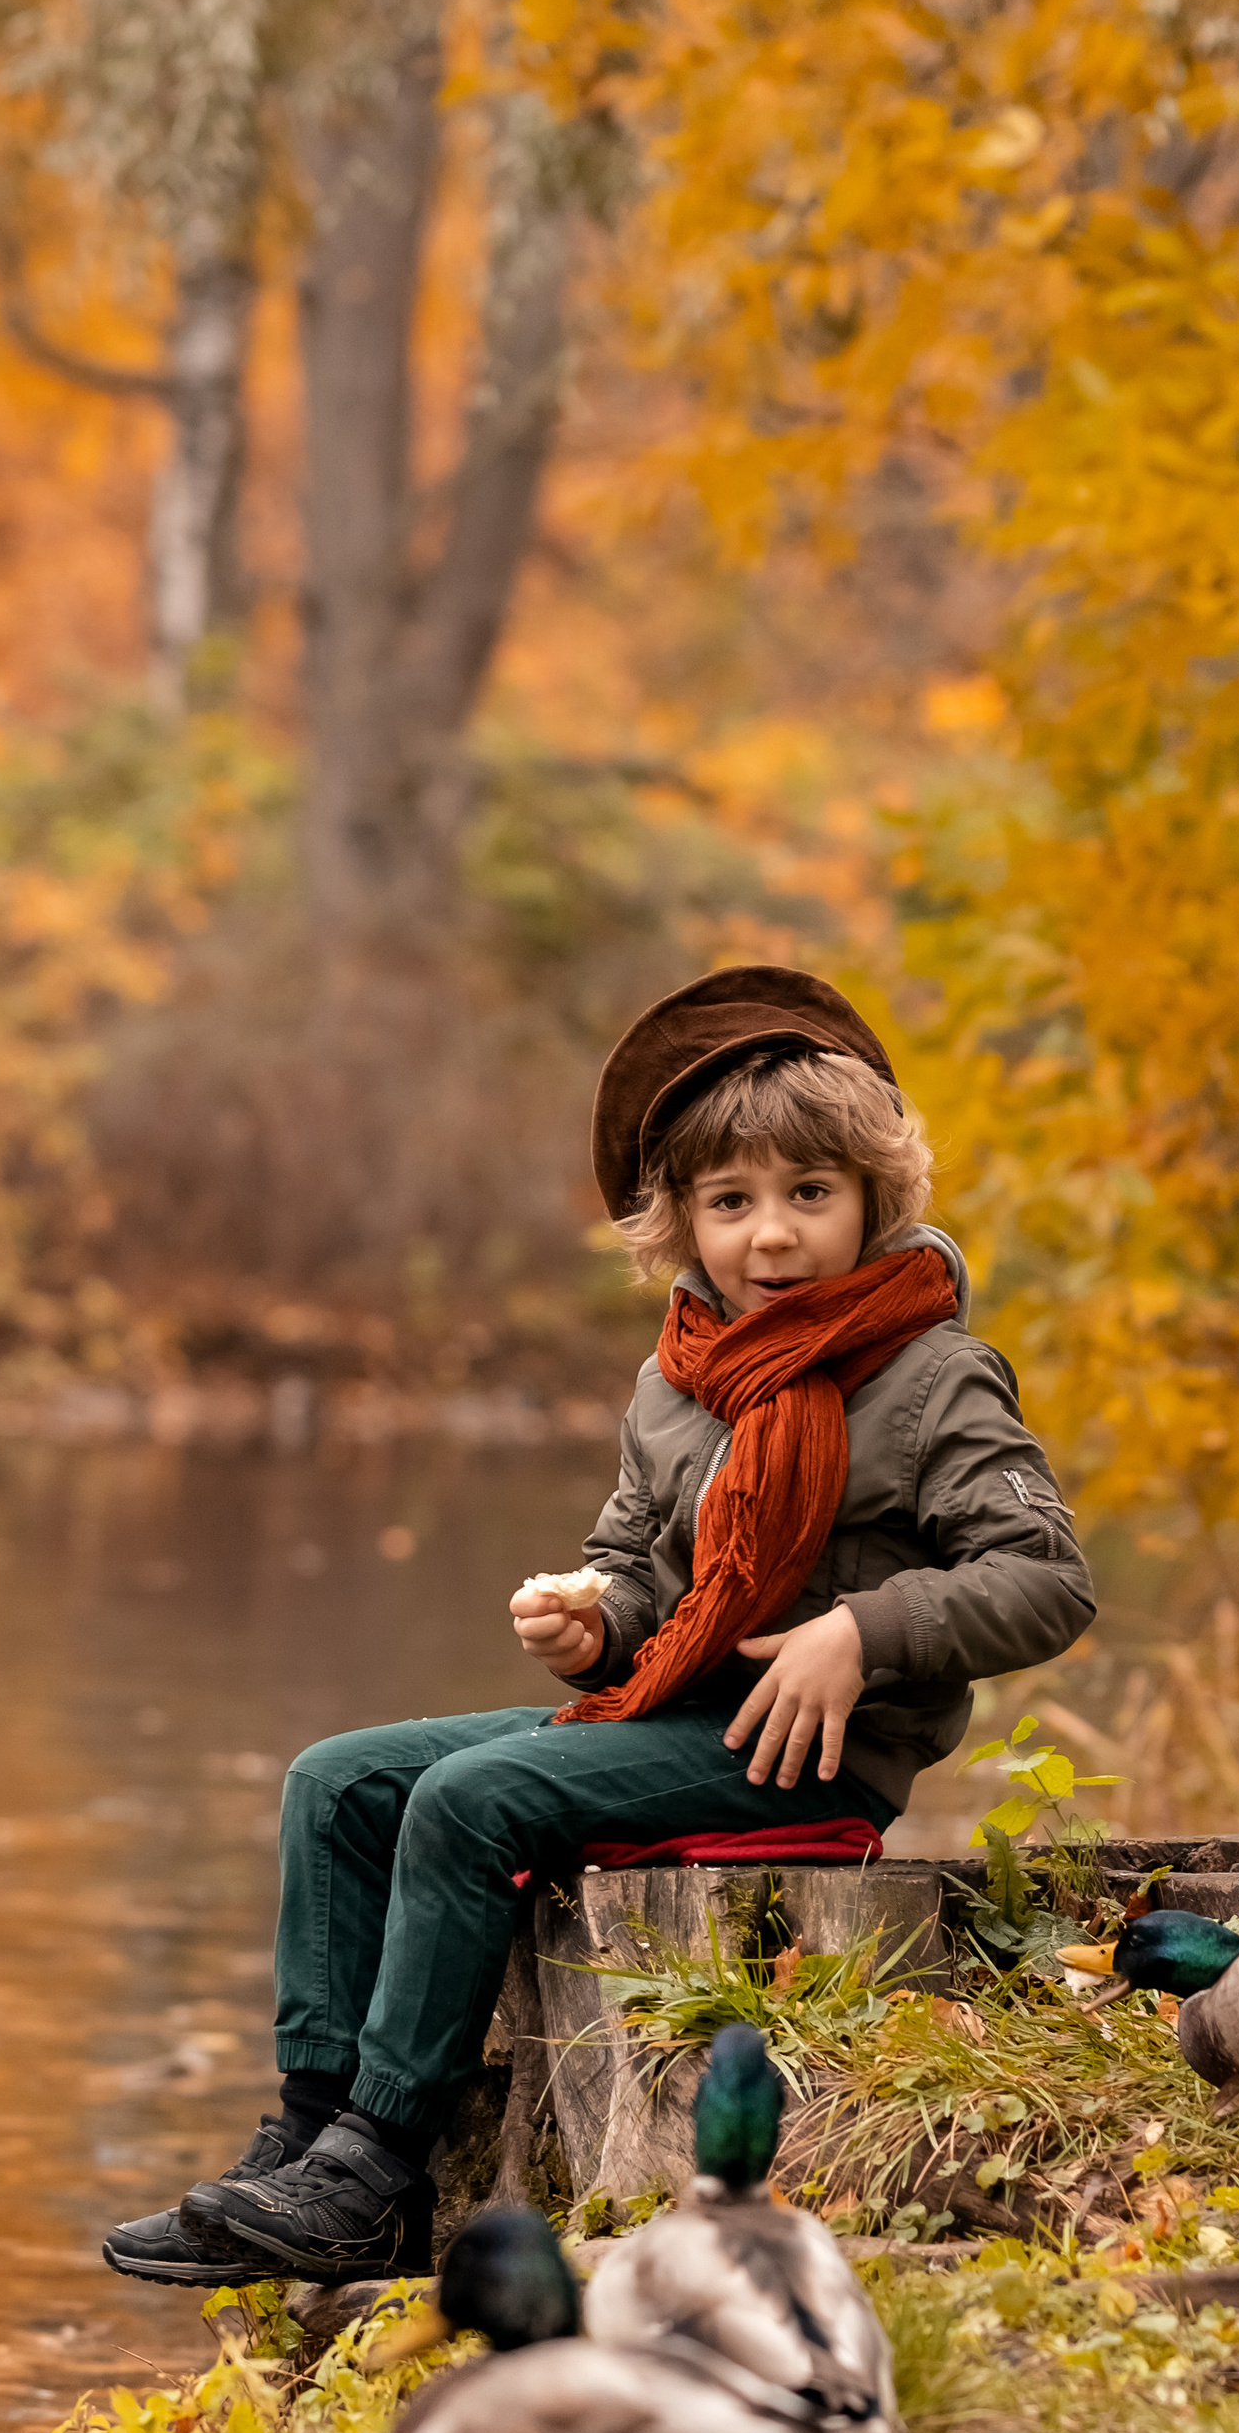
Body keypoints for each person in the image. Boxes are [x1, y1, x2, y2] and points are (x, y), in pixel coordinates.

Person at [101, 967, 1096, 2290]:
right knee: (336, 1783)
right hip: (671, 1718)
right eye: (731, 1203)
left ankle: (377, 2159)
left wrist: (861, 1632)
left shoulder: (934, 1376)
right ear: (681, 1222)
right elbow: (637, 1566)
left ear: (876, 1196)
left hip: (806, 1757)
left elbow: (1047, 1576)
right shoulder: (679, 1378)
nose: (773, 1236)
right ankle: (309, 2137)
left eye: (810, 1194)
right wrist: (594, 1619)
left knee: (471, 1801)